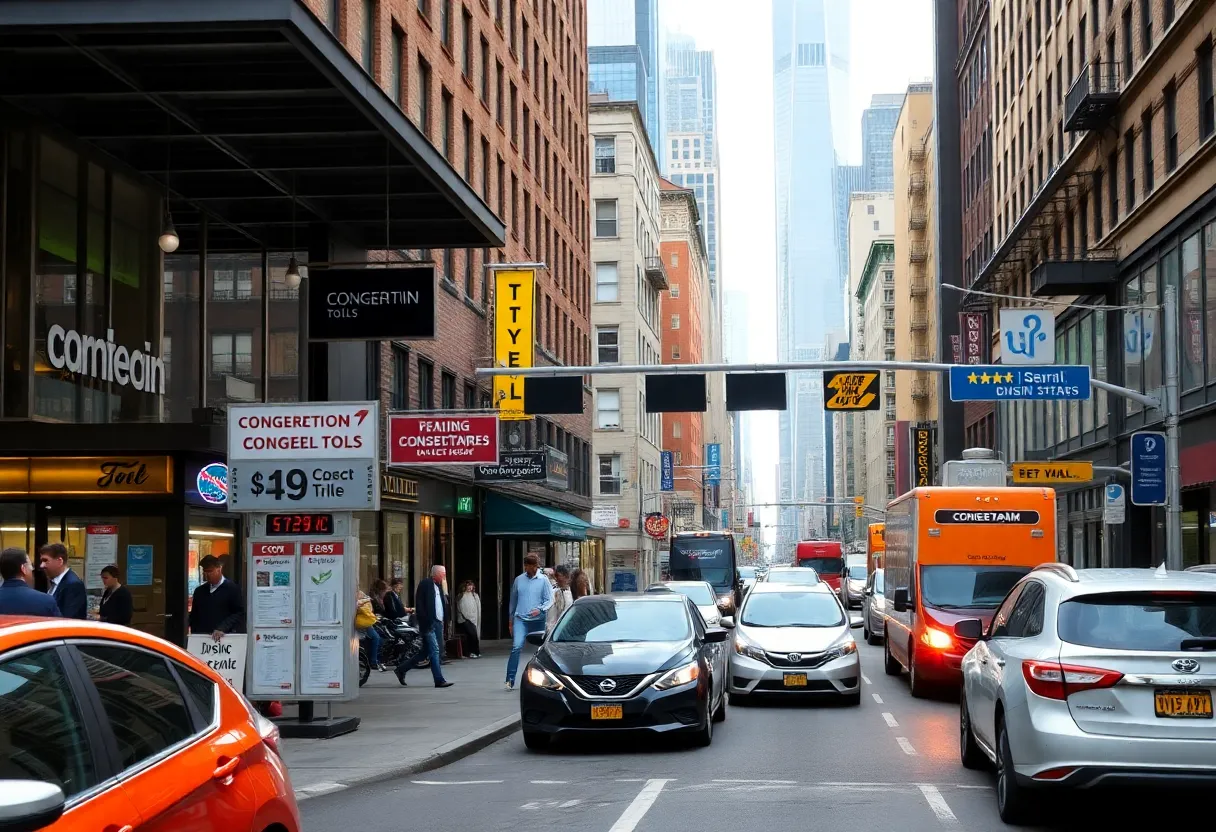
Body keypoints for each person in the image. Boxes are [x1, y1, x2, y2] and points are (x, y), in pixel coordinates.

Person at [396, 565, 453, 688]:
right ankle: (439, 680)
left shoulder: (439, 586)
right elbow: (420, 605)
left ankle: (401, 669)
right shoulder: (426, 584)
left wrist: (445, 620)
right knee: (435, 650)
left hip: (438, 622)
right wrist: (426, 622)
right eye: (442, 573)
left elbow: (441, 604)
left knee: (426, 652)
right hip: (429, 623)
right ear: (436, 574)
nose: (444, 576)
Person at [505, 553, 553, 690]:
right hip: (520, 619)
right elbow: (513, 601)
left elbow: (550, 599)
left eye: (529, 566)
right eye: (526, 566)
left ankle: (544, 679)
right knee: (516, 647)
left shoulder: (543, 580)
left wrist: (540, 609)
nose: (527, 568)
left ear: (535, 566)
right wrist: (510, 620)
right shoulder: (519, 580)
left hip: (538, 620)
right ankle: (510, 679)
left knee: (541, 650)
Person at [188, 555, 244, 641]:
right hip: (202, 639)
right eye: (205, 571)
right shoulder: (199, 591)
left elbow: (238, 612)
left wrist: (223, 628)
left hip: (224, 639)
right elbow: (194, 615)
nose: (207, 575)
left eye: (210, 571)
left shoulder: (232, 589)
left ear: (219, 569)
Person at [0, 548, 61, 617]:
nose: (32, 569)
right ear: (23, 568)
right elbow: (59, 623)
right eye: (31, 565)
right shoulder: (46, 601)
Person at [39, 542, 86, 619]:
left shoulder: (73, 584)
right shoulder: (55, 582)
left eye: (45, 560)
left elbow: (67, 618)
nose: (41, 565)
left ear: (59, 561)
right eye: (41, 561)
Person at [356, 588, 385, 671]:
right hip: (363, 622)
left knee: (378, 639)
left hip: (366, 621)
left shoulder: (359, 593)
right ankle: (373, 661)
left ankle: (375, 660)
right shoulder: (357, 593)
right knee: (376, 638)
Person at [455, 580, 482, 658]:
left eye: (471, 585)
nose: (470, 587)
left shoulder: (474, 595)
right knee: (471, 635)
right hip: (465, 620)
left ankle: (476, 651)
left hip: (474, 619)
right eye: (468, 585)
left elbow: (477, 608)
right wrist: (469, 618)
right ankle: (471, 652)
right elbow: (463, 609)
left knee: (474, 636)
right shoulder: (461, 595)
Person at [546, 564, 573, 634]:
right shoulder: (554, 593)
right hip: (558, 632)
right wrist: (550, 633)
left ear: (566, 576)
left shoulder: (573, 592)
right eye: (555, 576)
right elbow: (551, 618)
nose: (556, 579)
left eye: (558, 576)